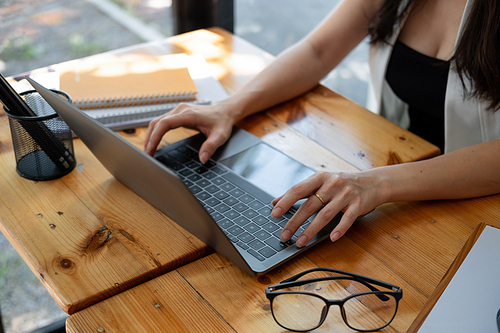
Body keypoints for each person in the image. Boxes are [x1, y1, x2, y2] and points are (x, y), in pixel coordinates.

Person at [144, 0, 500, 248]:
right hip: (396, 178)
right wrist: (229, 107)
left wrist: (378, 184)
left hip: (476, 199)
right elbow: (319, 49)